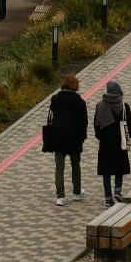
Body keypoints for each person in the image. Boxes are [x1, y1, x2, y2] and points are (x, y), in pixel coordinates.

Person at [45, 73, 86, 205]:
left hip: (58, 137)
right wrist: (82, 137)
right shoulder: (80, 102)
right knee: (75, 166)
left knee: (59, 168)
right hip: (74, 138)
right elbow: (83, 123)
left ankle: (60, 197)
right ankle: (76, 192)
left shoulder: (55, 99)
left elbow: (51, 116)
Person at [94, 80, 131, 204]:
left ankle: (108, 199)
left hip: (105, 143)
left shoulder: (100, 105)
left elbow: (96, 125)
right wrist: (128, 136)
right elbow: (130, 125)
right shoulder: (124, 106)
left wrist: (100, 136)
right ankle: (117, 190)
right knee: (119, 167)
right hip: (120, 141)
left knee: (106, 170)